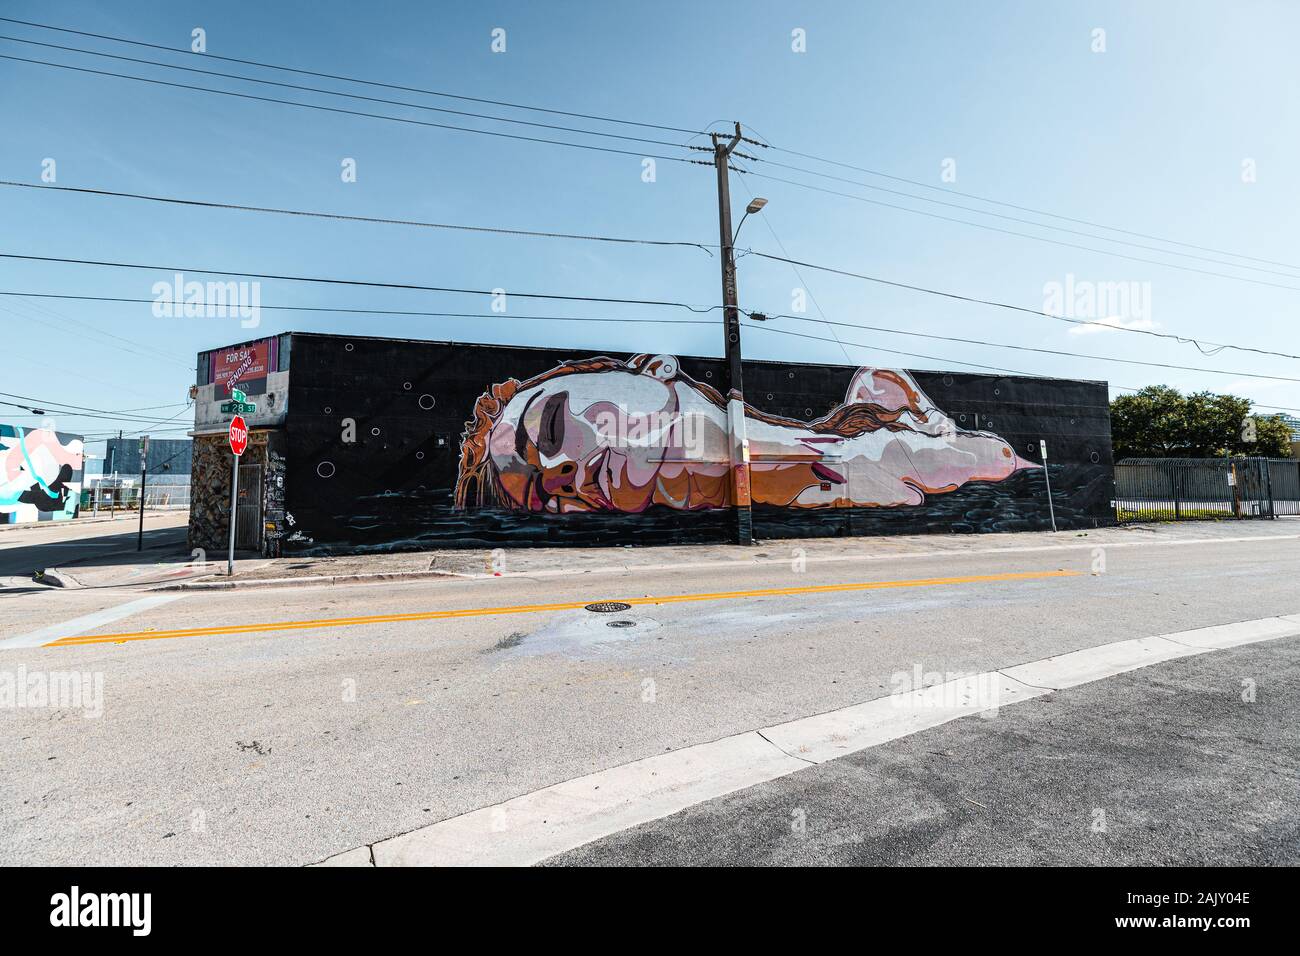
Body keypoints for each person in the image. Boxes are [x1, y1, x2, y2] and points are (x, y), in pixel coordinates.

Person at [455, 353, 1036, 514]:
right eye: (550, 496)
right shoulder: (873, 471)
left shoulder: (888, 409)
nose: (565, 475)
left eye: (552, 427)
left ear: (650, 370)